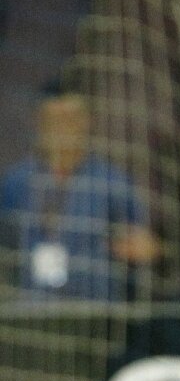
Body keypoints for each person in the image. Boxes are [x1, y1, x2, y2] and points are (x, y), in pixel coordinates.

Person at [0, 82, 158, 300]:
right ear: (40, 123)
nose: (64, 128)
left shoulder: (112, 182)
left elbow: (141, 241)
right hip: (32, 306)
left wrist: (140, 247)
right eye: (55, 120)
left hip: (97, 309)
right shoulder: (16, 182)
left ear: (87, 121)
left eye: (72, 119)